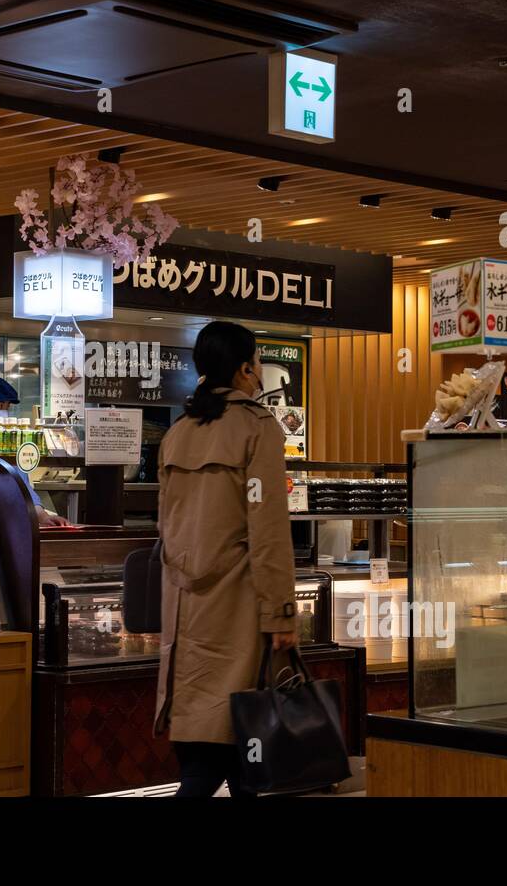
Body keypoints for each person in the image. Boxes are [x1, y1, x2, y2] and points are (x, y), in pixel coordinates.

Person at [154, 321, 298, 797]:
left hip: (185, 610)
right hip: (239, 606)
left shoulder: (178, 433)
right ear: (243, 369)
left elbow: (167, 524)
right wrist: (280, 613)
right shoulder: (258, 429)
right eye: (256, 363)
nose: (258, 372)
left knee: (231, 747)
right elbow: (270, 533)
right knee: (222, 746)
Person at [0, 372, 70, 528]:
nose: (4, 413)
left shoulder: (10, 445)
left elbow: (24, 489)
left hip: (8, 525)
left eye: (7, 407)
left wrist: (43, 517)